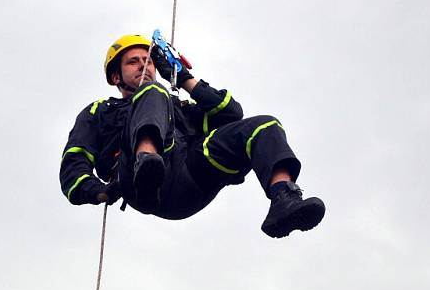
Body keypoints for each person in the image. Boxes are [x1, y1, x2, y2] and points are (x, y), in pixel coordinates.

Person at [59, 34, 325, 238]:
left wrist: (183, 78)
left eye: (148, 61)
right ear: (116, 75)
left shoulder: (175, 108)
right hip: (136, 182)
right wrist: (100, 192)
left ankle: (283, 200)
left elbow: (230, 114)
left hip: (188, 177)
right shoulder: (100, 111)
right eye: (133, 62)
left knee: (264, 127)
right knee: (153, 91)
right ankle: (146, 162)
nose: (144, 66)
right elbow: (73, 163)